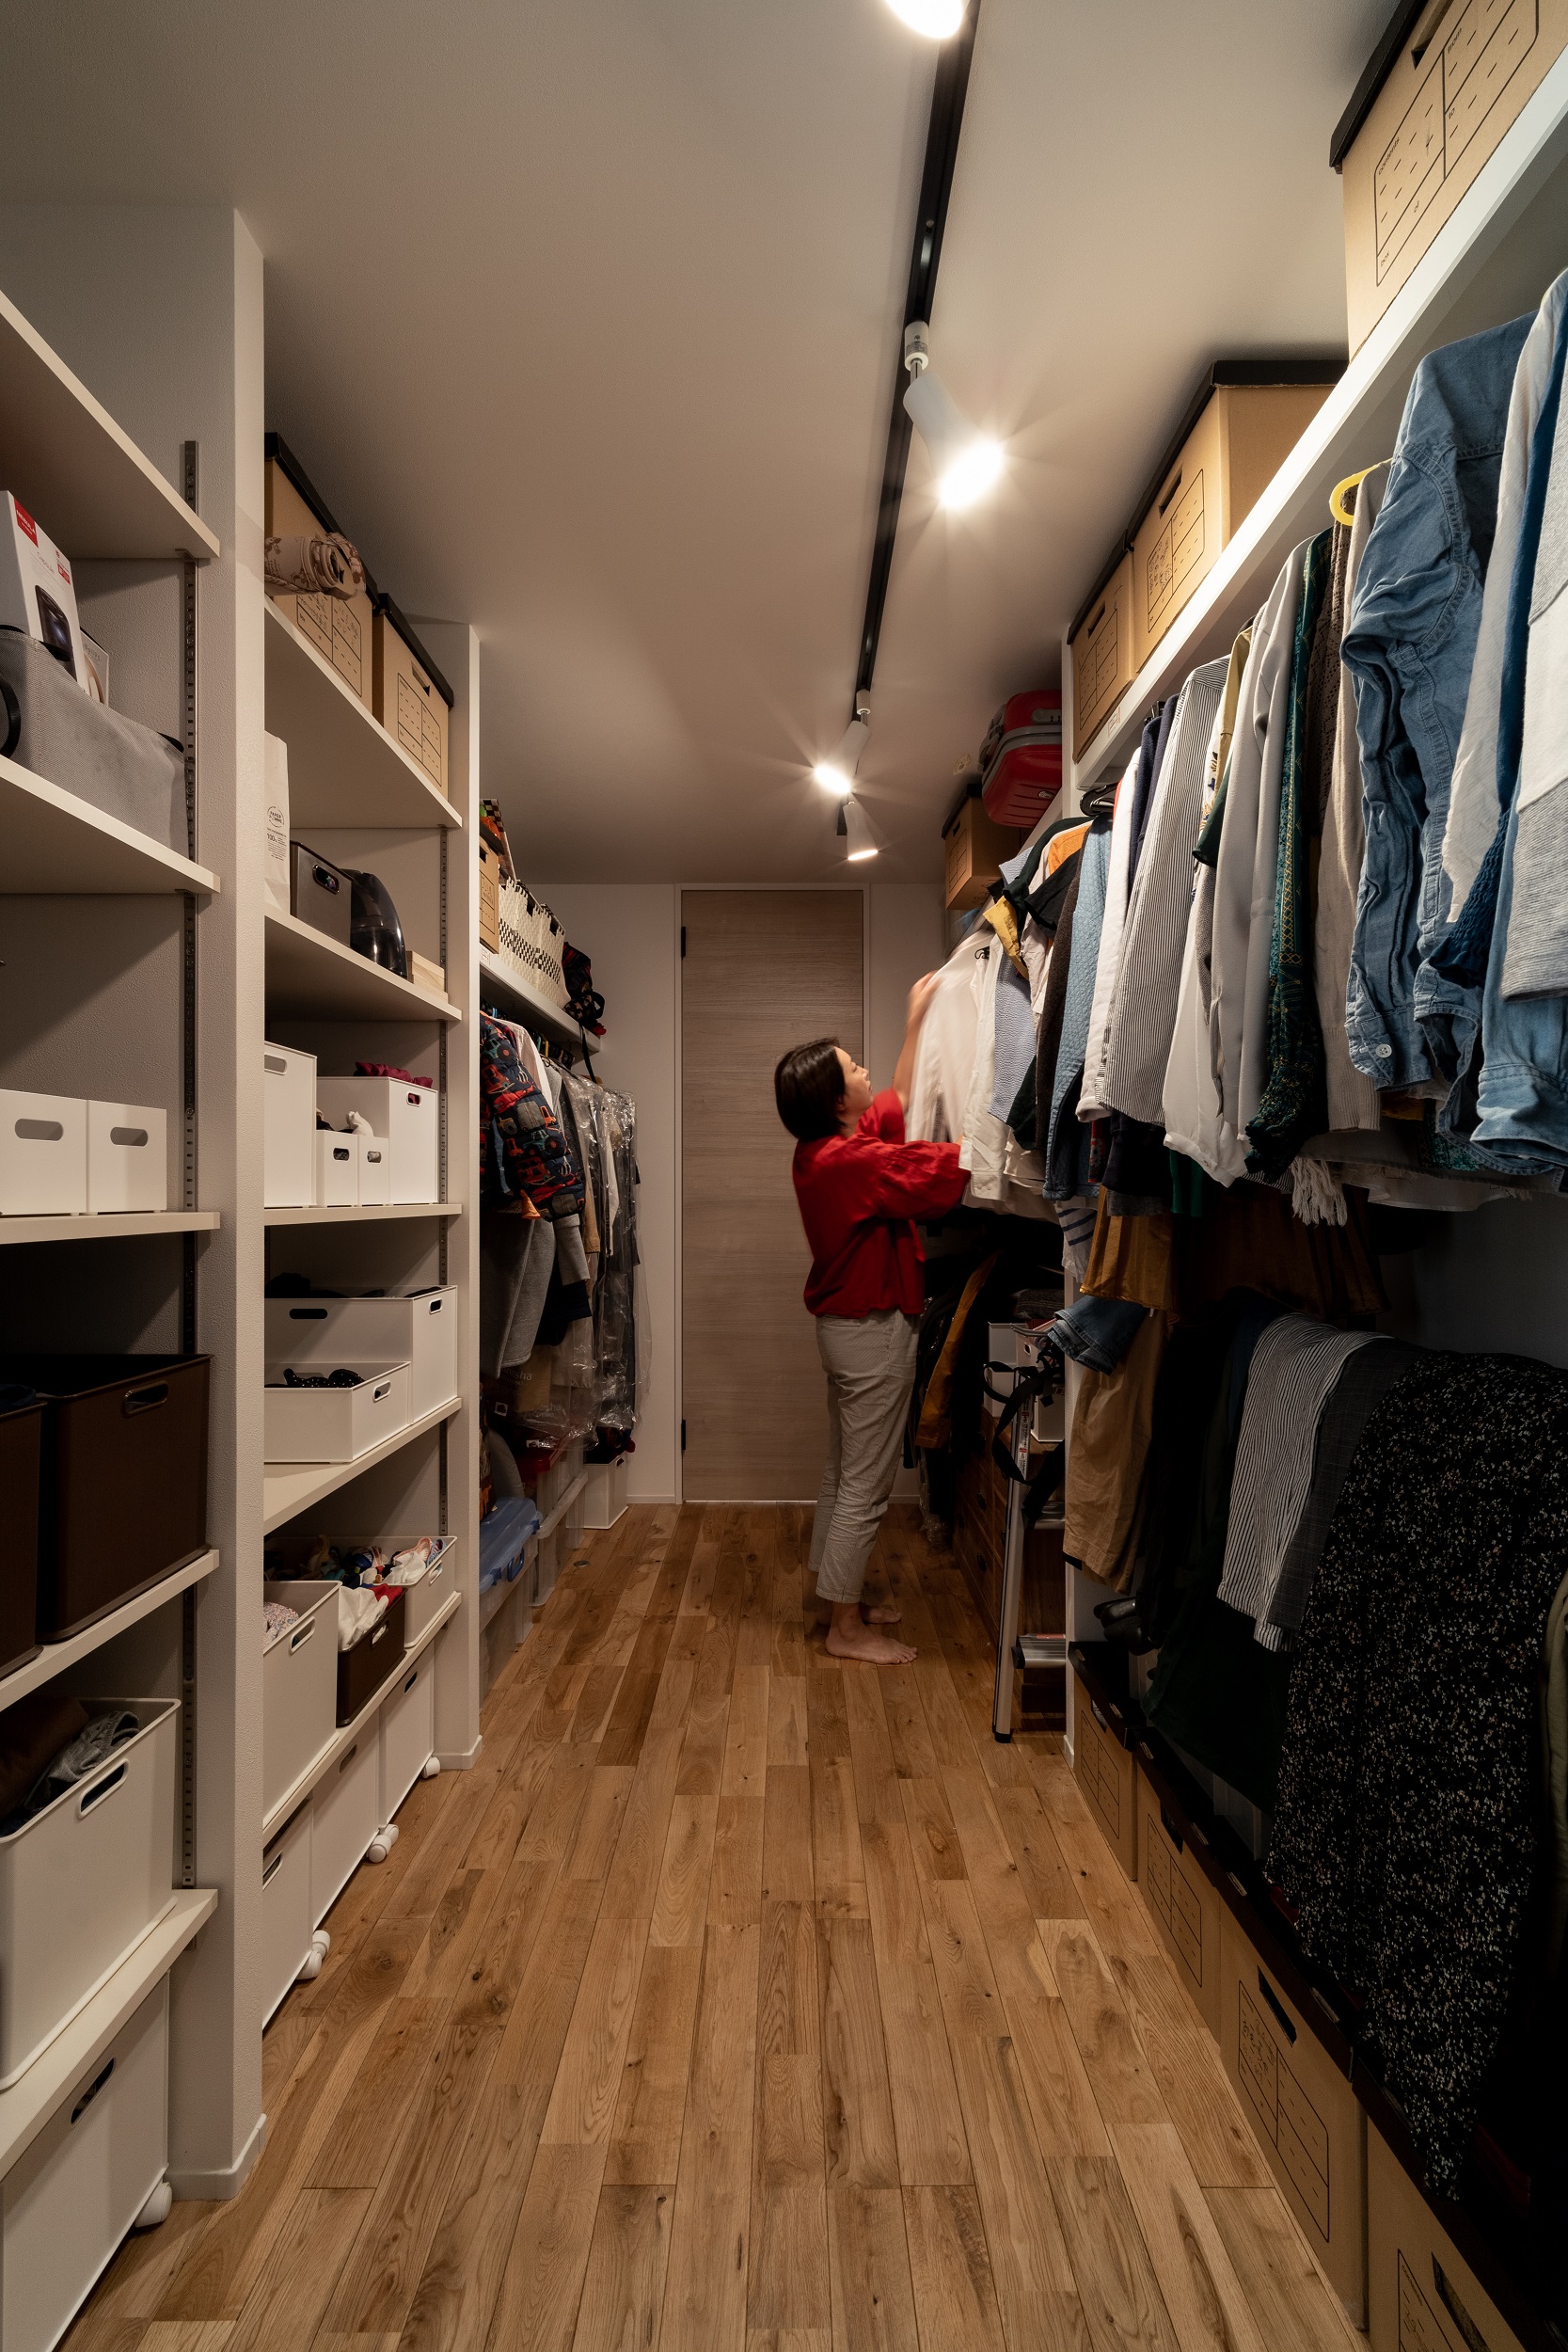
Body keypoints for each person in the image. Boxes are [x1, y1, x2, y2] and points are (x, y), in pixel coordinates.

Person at [774, 977, 966, 1663]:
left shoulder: (823, 1151)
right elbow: (938, 1174)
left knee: (843, 1470)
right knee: (866, 1482)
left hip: (846, 1331)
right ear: (835, 1101)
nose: (864, 1071)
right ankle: (845, 1630)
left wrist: (915, 1020)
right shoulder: (852, 1161)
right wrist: (995, 1137)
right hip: (870, 1331)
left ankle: (839, 1598)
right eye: (853, 1068)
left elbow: (897, 1100)